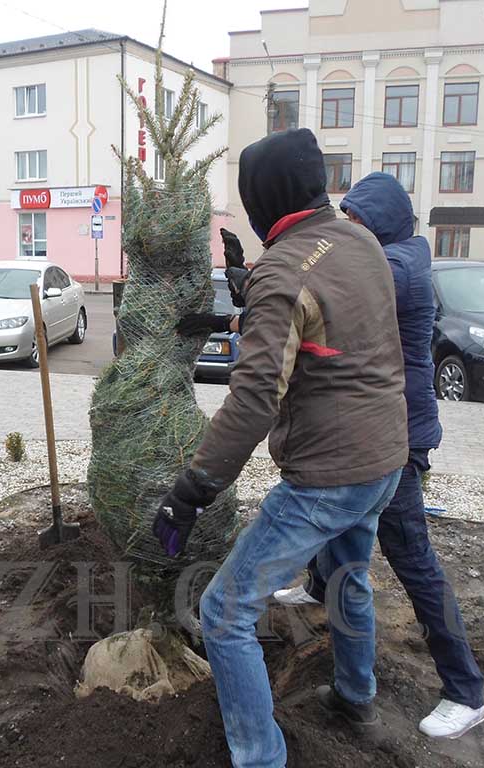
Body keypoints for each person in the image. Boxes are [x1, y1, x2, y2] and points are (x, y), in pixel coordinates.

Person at [156, 128, 408, 768]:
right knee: (349, 579)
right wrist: (241, 306)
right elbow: (326, 317)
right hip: (384, 459)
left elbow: (253, 400)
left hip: (327, 476)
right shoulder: (363, 243)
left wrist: (192, 491)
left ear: (263, 198)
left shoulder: (283, 271)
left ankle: (259, 756)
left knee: (224, 610)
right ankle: (355, 697)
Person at [272, 171, 484, 739]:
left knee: (414, 561)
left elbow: (329, 280)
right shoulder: (400, 253)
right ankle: (320, 587)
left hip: (401, 435)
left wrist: (272, 271)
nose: (351, 232)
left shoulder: (400, 268)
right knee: (337, 520)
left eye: (359, 222)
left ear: (385, 222)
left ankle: (466, 690)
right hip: (383, 424)